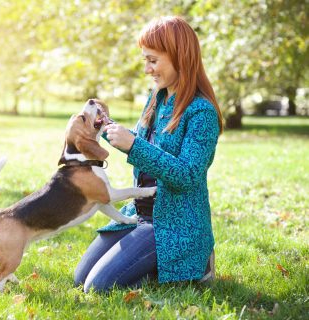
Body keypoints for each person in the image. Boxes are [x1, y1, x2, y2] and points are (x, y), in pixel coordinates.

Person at [74, 16, 224, 293]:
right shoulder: (158, 97)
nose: (147, 69)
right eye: (145, 60)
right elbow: (143, 142)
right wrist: (108, 127)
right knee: (80, 279)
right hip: (138, 213)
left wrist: (133, 146)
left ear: (180, 56)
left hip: (172, 225)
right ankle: (154, 266)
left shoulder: (202, 112)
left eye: (152, 60)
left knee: (98, 287)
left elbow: (187, 176)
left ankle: (193, 263)